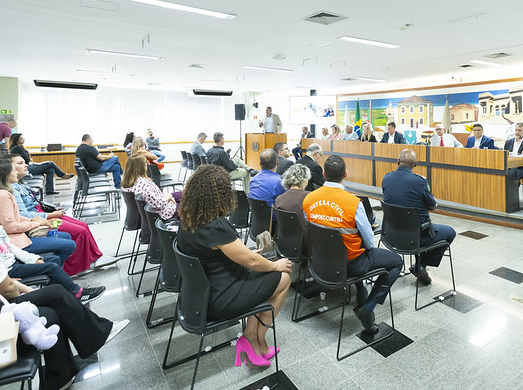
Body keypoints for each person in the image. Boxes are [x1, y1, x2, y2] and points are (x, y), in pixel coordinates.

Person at [0, 192, 128, 390]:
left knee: (52, 302)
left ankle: (67, 369)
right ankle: (78, 355)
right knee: (52, 303)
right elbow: (9, 291)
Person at [177, 164, 291, 366]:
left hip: (199, 298)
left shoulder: (188, 220)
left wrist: (250, 257)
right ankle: (255, 338)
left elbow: (224, 255)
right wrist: (275, 266)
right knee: (283, 278)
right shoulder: (216, 226)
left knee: (262, 276)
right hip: (222, 298)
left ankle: (253, 338)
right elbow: (251, 261)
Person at [304, 155, 402, 334]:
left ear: (323, 174)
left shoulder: (309, 199)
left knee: (355, 247)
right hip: (350, 264)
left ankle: (360, 288)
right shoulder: (353, 203)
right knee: (396, 261)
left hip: (320, 262)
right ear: (345, 174)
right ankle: (368, 307)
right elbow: (369, 241)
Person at [8, 154, 110, 276]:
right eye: (20, 163)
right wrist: (49, 216)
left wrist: (52, 209)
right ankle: (75, 268)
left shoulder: (20, 184)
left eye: (24, 162)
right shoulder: (13, 189)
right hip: (38, 219)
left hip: (42, 214)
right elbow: (23, 214)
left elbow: (35, 203)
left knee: (83, 226)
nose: (26, 165)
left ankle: (94, 258)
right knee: (79, 231)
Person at [0, 204, 106, 302]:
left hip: (14, 261)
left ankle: (59, 291)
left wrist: (33, 259)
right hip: (10, 269)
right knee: (52, 267)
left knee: (55, 260)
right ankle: (77, 293)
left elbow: (12, 248)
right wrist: (5, 278)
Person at [0, 159, 77, 265]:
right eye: (14, 170)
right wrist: (36, 223)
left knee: (66, 236)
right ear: (4, 175)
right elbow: (11, 227)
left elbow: (15, 217)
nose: (17, 172)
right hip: (14, 242)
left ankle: (51, 268)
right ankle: (50, 270)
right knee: (69, 245)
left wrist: (41, 222)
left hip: (15, 237)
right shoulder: (1, 195)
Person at [381, 149, 456, 285]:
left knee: (415, 226)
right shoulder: (420, 182)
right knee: (450, 232)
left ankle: (420, 266)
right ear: (416, 164)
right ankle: (420, 266)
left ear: (398, 161)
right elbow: (432, 207)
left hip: (391, 236)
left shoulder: (386, 178)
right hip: (415, 238)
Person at [122, 154, 180, 221]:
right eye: (146, 163)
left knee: (180, 195)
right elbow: (158, 204)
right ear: (143, 166)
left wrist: (167, 196)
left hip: (154, 206)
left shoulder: (126, 183)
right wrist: (168, 198)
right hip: (165, 211)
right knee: (187, 205)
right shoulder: (145, 185)